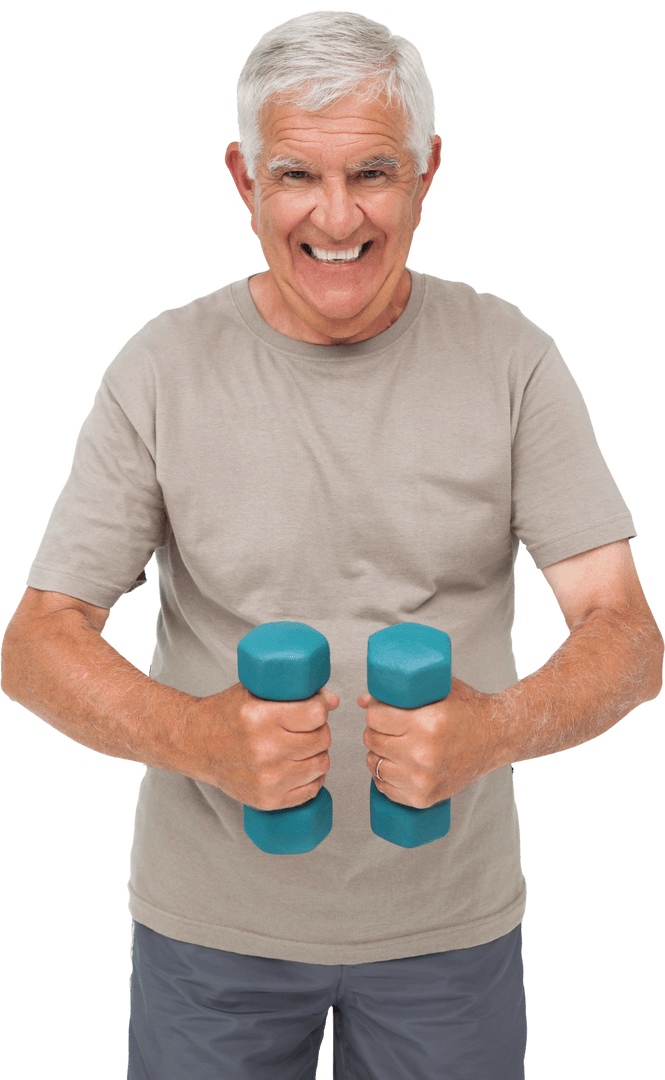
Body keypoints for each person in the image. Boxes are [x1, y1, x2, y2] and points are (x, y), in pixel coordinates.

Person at [1, 9, 662, 1079]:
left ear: (427, 171)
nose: (338, 216)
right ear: (243, 178)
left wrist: (495, 729)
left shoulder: (512, 358)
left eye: (373, 172)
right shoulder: (160, 368)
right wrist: (198, 738)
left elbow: (624, 631)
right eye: (296, 175)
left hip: (448, 934)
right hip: (210, 935)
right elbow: (38, 641)